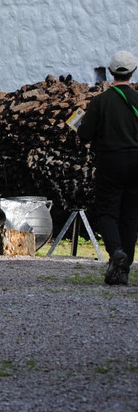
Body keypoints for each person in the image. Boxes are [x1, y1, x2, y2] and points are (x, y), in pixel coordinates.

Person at [78, 50, 138, 285]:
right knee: (131, 215)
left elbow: (85, 135)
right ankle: (123, 271)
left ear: (111, 72)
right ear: (132, 72)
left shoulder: (100, 101)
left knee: (107, 211)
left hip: (111, 161)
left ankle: (116, 253)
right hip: (137, 161)